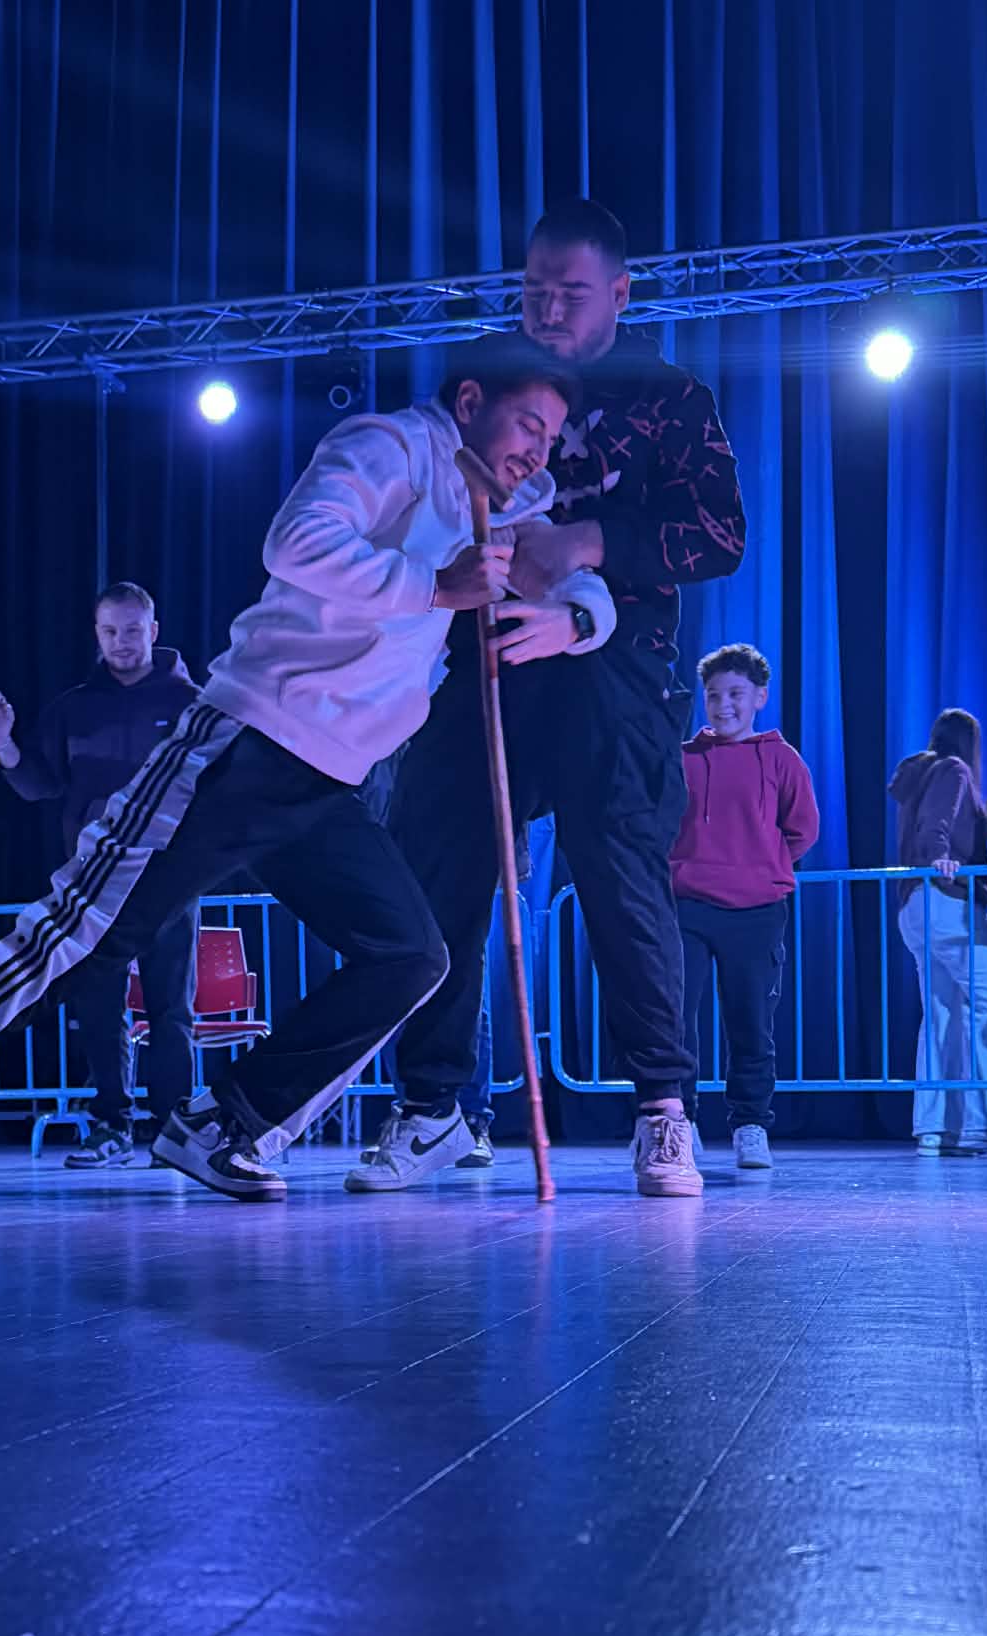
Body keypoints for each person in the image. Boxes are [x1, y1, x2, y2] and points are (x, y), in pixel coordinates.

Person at [0, 342, 615, 1208]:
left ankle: (225, 1123)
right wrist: (432, 586)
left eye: (550, 437)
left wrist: (576, 619)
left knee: (411, 956)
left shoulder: (505, 508)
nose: (537, 451)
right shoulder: (389, 447)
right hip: (247, 740)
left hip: (330, 781)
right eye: (527, 426)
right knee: (81, 937)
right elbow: (296, 541)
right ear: (469, 402)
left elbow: (571, 574)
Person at [349, 197, 746, 1200]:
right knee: (439, 860)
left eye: (571, 292)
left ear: (620, 292)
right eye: (534, 289)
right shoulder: (490, 381)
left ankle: (663, 1109)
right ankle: (434, 1105)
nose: (549, 309)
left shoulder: (669, 397)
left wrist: (593, 541)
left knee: (619, 876)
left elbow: (720, 533)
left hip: (614, 671)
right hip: (482, 652)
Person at [0, 584, 199, 1167]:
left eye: (132, 629)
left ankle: (172, 1128)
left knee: (171, 1007)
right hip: (92, 881)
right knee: (97, 1003)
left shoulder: (192, 704)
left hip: (167, 876)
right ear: (96, 635)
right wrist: (2, 743)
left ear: (153, 630)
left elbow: (218, 789)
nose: (121, 642)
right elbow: (39, 784)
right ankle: (110, 1124)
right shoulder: (72, 708)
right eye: (109, 631)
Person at [671, 644, 819, 1171]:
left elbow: (802, 829)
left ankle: (750, 1125)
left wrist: (761, 864)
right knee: (676, 1020)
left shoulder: (781, 759)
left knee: (751, 1021)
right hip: (687, 905)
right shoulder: (682, 758)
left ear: (760, 697)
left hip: (757, 910)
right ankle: (679, 1122)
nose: (723, 705)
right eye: (713, 695)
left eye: (735, 694)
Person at [888, 709, 987, 1155]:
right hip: (947, 900)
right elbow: (938, 823)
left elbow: (971, 826)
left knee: (943, 1014)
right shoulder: (953, 769)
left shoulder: (922, 775)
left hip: (915, 906)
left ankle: (937, 1128)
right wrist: (939, 857)